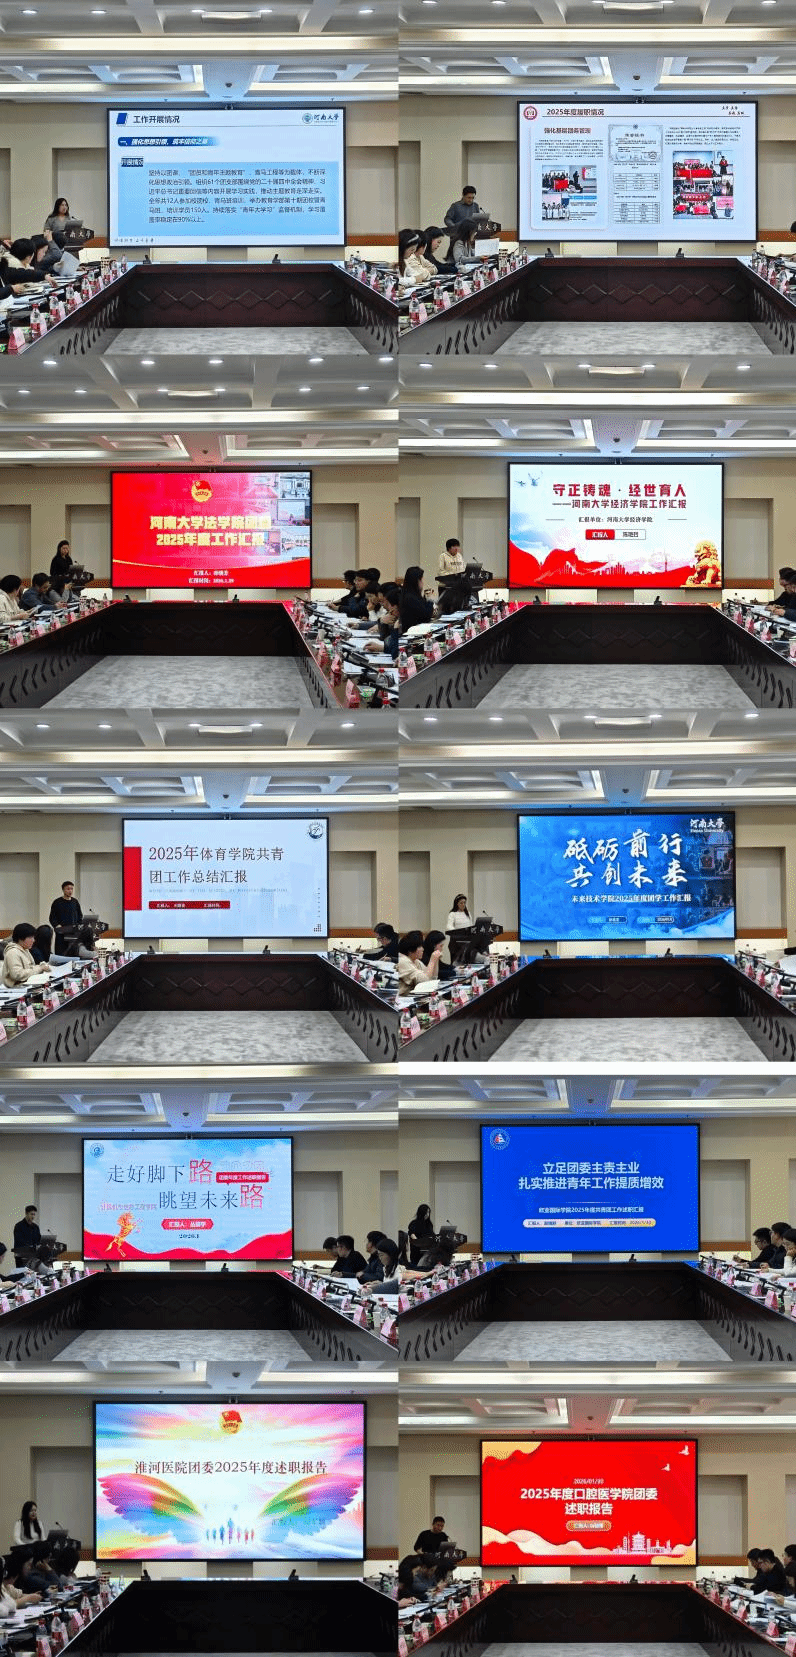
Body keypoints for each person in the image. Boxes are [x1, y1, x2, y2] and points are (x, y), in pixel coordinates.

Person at [2, 923, 52, 989]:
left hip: (26, 985)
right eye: (30, 937)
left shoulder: (25, 949)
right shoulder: (12, 952)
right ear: (20, 938)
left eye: (33, 937)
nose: (33, 940)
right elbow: (17, 974)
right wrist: (40, 968)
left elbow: (30, 968)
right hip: (17, 988)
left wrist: (42, 966)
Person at [397, 930, 444, 995]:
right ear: (410, 949)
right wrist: (432, 960)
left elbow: (432, 979)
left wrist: (436, 960)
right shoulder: (403, 961)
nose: (423, 949)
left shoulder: (416, 961)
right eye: (420, 946)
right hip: (403, 998)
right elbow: (425, 981)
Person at [48, 881, 83, 956]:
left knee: (73, 953)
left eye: (71, 889)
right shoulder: (57, 902)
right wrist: (57, 925)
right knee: (61, 954)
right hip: (61, 933)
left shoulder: (75, 902)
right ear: (63, 890)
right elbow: (52, 917)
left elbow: (80, 916)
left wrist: (79, 926)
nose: (70, 891)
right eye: (68, 889)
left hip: (73, 933)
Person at [399, 567, 434, 632]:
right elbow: (426, 615)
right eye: (421, 580)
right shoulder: (411, 598)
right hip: (415, 633)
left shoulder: (408, 594)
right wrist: (430, 600)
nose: (422, 583)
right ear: (416, 581)